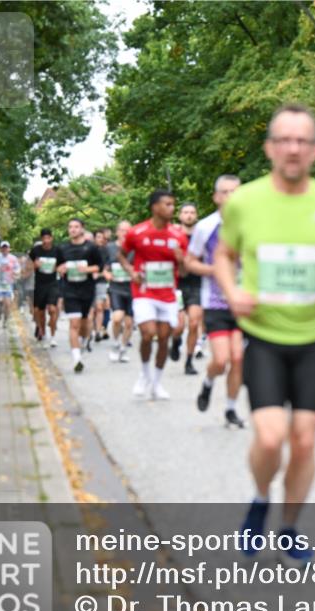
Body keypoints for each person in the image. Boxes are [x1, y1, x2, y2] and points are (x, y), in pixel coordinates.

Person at [215, 104, 315, 565]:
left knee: (306, 440)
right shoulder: (245, 202)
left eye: (303, 141)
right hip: (265, 338)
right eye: (284, 140)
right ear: (269, 147)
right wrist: (232, 291)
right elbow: (223, 255)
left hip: (313, 338)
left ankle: (290, 527)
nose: (293, 148)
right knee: (272, 438)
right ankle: (260, 499)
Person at [186, 174, 246, 429]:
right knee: (221, 360)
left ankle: (231, 409)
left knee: (238, 358)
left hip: (243, 303)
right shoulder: (205, 227)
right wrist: (214, 270)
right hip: (215, 302)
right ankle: (208, 383)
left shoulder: (251, 225)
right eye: (226, 192)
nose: (231, 197)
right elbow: (190, 262)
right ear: (216, 197)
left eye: (236, 191)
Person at [118, 189, 188, 400]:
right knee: (148, 333)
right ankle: (144, 374)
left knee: (165, 337)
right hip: (144, 291)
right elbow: (121, 254)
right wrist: (131, 271)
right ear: (154, 207)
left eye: (173, 204)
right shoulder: (137, 232)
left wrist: (181, 260)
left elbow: (184, 272)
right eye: (167, 204)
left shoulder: (178, 236)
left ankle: (156, 382)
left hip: (168, 294)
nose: (172, 208)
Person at [57, 218, 103, 373]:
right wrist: (61, 269)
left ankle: (83, 340)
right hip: (70, 290)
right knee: (74, 324)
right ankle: (76, 359)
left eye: (76, 227)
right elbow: (59, 267)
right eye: (70, 227)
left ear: (82, 228)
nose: (73, 229)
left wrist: (87, 270)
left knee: (84, 324)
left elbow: (99, 267)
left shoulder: (91, 248)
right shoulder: (63, 248)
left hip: (87, 290)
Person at [168, 202, 204, 374]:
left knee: (195, 323)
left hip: (197, 283)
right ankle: (175, 341)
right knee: (178, 326)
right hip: (176, 284)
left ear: (196, 216)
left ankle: (189, 361)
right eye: (185, 212)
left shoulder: (202, 236)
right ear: (180, 216)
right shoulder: (173, 235)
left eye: (192, 212)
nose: (189, 215)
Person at [105, 221, 135, 362]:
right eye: (122, 230)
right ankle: (115, 343)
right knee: (117, 318)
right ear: (117, 232)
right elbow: (104, 267)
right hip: (116, 287)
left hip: (132, 288)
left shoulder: (136, 248)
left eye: (127, 231)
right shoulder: (110, 247)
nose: (124, 233)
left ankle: (123, 349)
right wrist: (107, 274)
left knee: (129, 323)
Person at [30, 228, 63, 347]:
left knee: (53, 310)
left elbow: (63, 265)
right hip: (39, 284)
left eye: (48, 238)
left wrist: (58, 268)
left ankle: (53, 337)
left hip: (53, 284)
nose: (46, 241)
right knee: (39, 311)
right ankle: (43, 333)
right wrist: (34, 265)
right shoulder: (35, 251)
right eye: (43, 238)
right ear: (41, 239)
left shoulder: (57, 251)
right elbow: (28, 268)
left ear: (51, 238)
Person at [0, 241, 21, 328]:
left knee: (8, 304)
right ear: (1, 249)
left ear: (9, 249)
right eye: (3, 248)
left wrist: (15, 273)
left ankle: (5, 320)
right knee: (0, 301)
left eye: (6, 248)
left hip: (9, 283)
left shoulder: (13, 258)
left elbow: (18, 268)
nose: (5, 249)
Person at [91, 229, 112, 342]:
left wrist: (100, 273)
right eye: (98, 237)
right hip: (88, 282)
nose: (101, 239)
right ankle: (91, 329)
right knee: (91, 308)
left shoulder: (106, 250)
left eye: (102, 237)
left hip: (102, 281)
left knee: (100, 306)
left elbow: (108, 266)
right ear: (94, 238)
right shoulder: (88, 250)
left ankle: (98, 331)